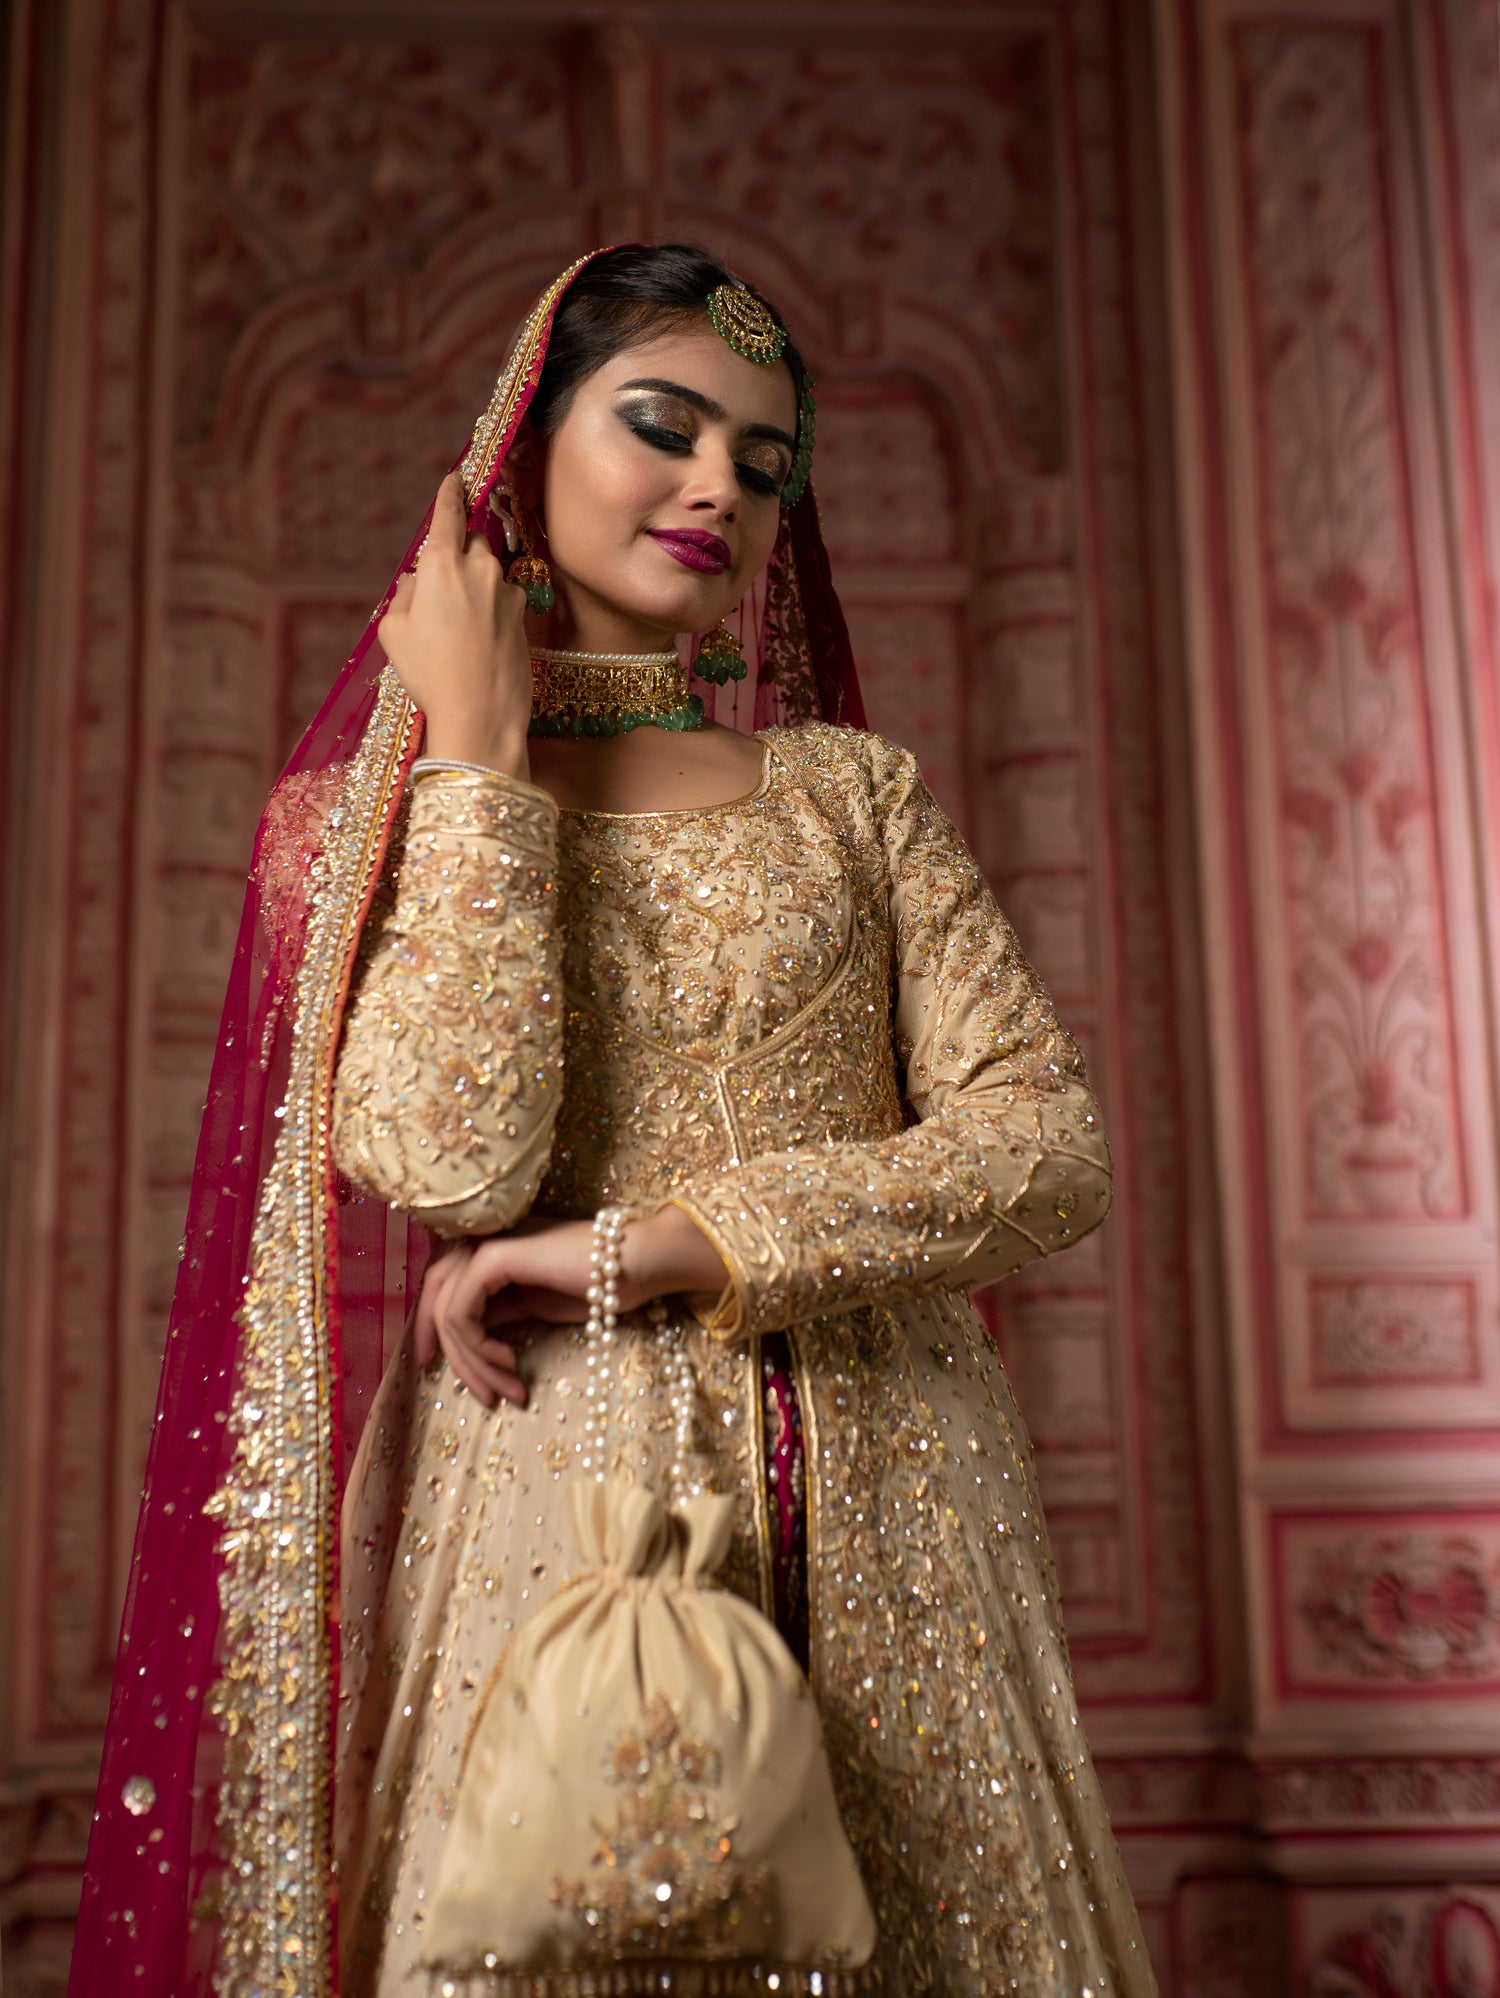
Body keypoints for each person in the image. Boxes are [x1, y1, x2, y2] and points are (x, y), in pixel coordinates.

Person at [70, 245, 1156, 1998]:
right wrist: (486, 763)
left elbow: (1044, 1143)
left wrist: (659, 1246)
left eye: (764, 459)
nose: (720, 484)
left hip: (898, 1505)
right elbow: (449, 1156)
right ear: (521, 444)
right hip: (553, 1500)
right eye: (664, 424)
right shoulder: (352, 828)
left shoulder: (852, 798)